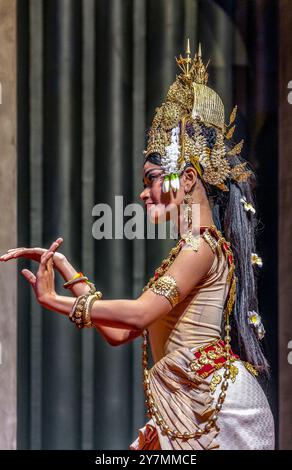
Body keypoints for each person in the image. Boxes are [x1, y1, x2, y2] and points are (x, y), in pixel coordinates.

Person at [0, 41, 275, 450]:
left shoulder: (201, 246)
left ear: (186, 179)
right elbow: (118, 332)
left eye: (151, 178)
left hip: (219, 410)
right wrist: (67, 269)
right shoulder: (188, 250)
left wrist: (55, 301)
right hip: (192, 407)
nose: (144, 193)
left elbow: (140, 314)